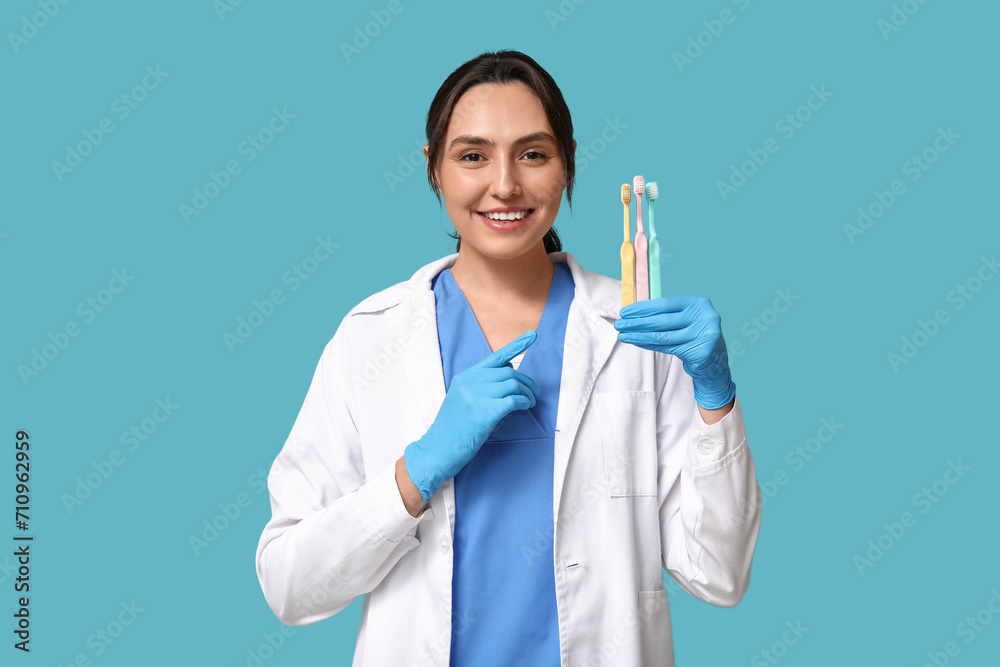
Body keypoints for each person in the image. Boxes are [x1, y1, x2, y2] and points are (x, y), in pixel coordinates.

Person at [255, 49, 762, 667]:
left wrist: (715, 397)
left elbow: (718, 572)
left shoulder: (638, 336)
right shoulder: (372, 339)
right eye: (473, 155)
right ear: (433, 169)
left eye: (533, 153)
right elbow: (289, 585)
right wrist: (415, 472)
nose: (504, 185)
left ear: (568, 162)